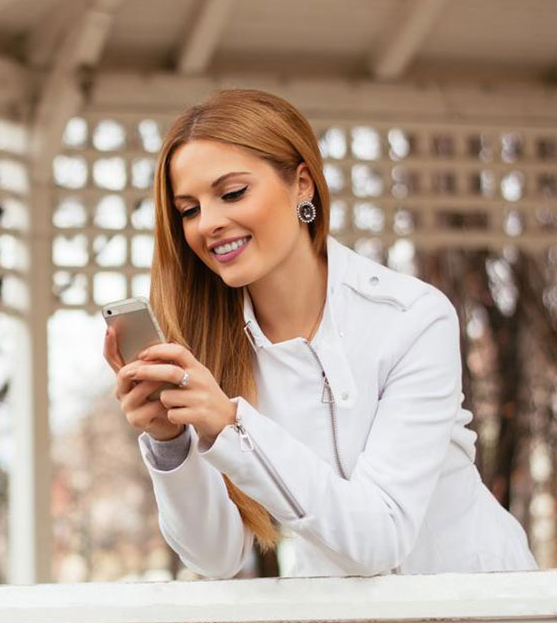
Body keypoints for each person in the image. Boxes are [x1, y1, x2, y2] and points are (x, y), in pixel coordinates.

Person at [102, 89, 538, 578]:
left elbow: (380, 537)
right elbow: (216, 556)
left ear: (302, 185)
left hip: (481, 609)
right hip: (340, 620)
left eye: (232, 193)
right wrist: (170, 444)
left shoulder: (412, 319)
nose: (210, 223)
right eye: (189, 210)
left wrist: (232, 427)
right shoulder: (209, 353)